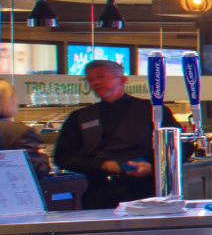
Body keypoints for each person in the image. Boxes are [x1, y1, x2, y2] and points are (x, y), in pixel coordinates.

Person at [54, 59, 169, 208]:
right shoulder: (81, 117)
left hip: (147, 194)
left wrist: (152, 165)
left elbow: (181, 147)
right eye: (90, 79)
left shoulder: (152, 110)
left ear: (122, 80)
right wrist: (102, 165)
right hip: (99, 195)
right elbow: (63, 157)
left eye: (101, 77)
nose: (95, 83)